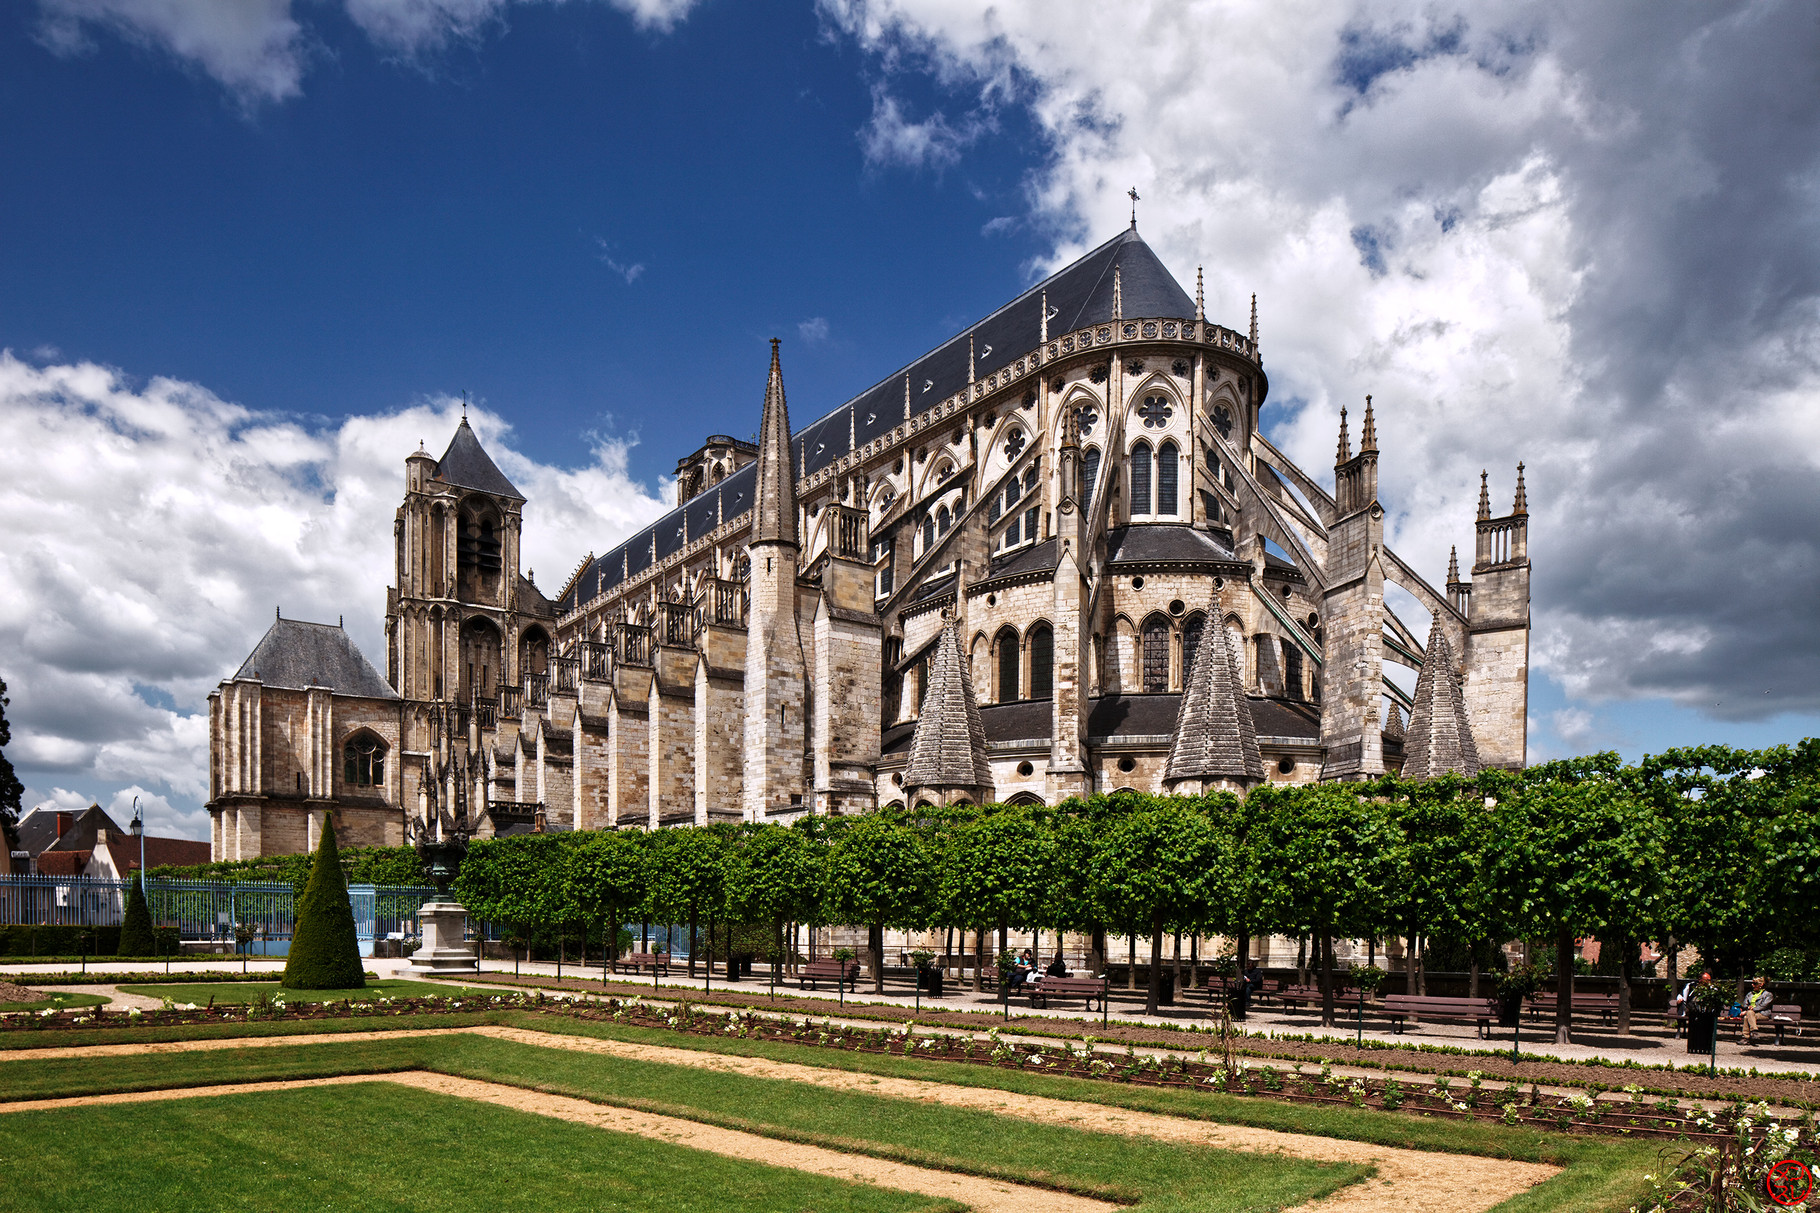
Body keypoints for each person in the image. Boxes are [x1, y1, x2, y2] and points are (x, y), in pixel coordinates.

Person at [1671, 970, 1711, 1037]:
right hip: (1690, 1006)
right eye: (1707, 980)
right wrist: (1679, 999)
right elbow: (1681, 994)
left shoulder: (1711, 988)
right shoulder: (1691, 985)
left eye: (1709, 980)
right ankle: (1679, 1030)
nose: (1709, 982)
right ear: (1700, 980)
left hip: (1703, 1008)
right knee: (1683, 1006)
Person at [1741, 976, 1774, 1046]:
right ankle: (1754, 1032)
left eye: (1754, 983)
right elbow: (1745, 1004)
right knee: (1747, 1016)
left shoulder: (1768, 995)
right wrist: (1748, 1007)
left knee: (1748, 1015)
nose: (1752, 985)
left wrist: (1752, 1008)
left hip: (1763, 1014)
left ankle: (1746, 1038)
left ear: (1761, 984)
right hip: (1751, 1014)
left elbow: (1763, 1006)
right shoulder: (1750, 994)